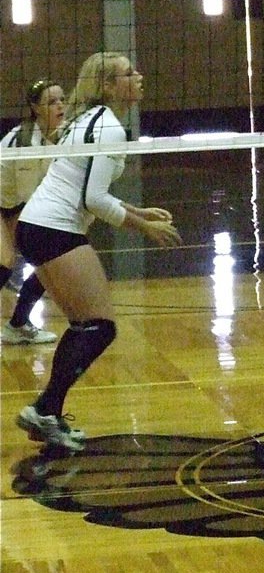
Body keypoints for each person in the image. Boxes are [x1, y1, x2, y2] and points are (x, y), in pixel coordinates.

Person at [14, 52, 181, 453]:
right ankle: (45, 409)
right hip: (54, 228)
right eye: (128, 73)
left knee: (84, 325)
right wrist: (146, 227)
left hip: (37, 226)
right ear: (108, 86)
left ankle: (47, 411)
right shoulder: (108, 127)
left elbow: (82, 184)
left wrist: (138, 210)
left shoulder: (86, 120)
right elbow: (95, 200)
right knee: (100, 326)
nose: (139, 77)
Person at [1, 78, 66, 345]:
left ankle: (17, 325)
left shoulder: (63, 137)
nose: (60, 106)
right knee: (5, 265)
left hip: (13, 204)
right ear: (35, 108)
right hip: (8, 204)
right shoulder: (26, 141)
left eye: (62, 100)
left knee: (48, 262)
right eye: (52, 102)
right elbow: (29, 200)